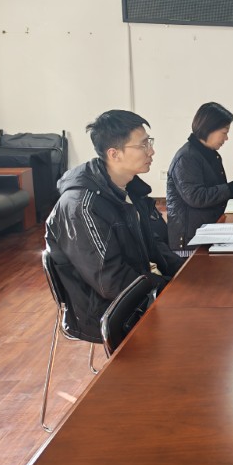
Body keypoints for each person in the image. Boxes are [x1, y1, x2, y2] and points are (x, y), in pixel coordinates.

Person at [45, 110, 182, 342]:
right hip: (109, 311)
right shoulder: (81, 206)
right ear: (114, 154)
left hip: (140, 289)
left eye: (149, 142)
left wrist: (184, 274)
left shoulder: (130, 188)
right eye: (143, 145)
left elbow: (154, 245)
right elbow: (111, 282)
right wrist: (167, 288)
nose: (151, 151)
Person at [167, 102, 233, 254]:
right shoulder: (187, 157)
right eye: (224, 132)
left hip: (208, 229)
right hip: (190, 242)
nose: (226, 138)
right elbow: (196, 197)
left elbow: (214, 189)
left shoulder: (209, 153)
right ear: (209, 129)